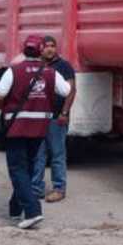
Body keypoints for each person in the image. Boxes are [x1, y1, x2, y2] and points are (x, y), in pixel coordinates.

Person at [0, 35, 71, 230]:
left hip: (17, 127)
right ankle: (14, 208)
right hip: (39, 129)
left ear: (23, 50)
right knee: (26, 167)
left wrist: (6, 109)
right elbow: (67, 90)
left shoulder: (14, 71)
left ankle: (32, 211)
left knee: (17, 169)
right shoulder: (51, 72)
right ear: (40, 50)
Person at [34, 35, 76, 203]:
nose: (50, 49)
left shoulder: (64, 66)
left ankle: (59, 188)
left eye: (53, 45)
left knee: (57, 154)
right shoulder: (37, 65)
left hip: (56, 118)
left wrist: (64, 113)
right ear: (41, 49)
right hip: (39, 117)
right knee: (38, 154)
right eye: (46, 46)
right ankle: (36, 188)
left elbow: (71, 91)